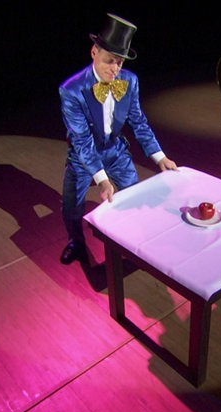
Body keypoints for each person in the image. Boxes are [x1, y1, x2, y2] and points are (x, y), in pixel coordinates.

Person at [58, 13, 178, 265]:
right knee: (71, 206)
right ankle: (76, 243)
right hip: (83, 156)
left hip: (115, 151)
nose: (114, 69)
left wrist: (160, 157)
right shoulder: (71, 89)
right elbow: (82, 141)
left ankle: (132, 242)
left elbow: (138, 121)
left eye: (119, 62)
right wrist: (102, 180)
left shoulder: (129, 81)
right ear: (94, 53)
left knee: (133, 196)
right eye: (109, 61)